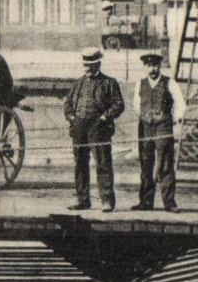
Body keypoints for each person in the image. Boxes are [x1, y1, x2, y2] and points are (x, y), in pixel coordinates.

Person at [63, 49, 124, 212]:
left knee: (103, 163)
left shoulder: (109, 83)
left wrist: (105, 117)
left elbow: (118, 104)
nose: (87, 68)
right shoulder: (78, 84)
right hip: (79, 128)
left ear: (98, 64)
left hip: (99, 128)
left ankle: (107, 201)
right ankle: (82, 200)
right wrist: (71, 117)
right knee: (80, 164)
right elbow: (68, 104)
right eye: (85, 65)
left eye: (90, 65)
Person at [131, 52, 186, 212]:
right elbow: (136, 105)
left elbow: (180, 104)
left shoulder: (170, 83)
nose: (152, 69)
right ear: (144, 67)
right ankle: (146, 202)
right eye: (149, 66)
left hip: (163, 127)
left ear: (159, 66)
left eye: (155, 65)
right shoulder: (140, 84)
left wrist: (175, 120)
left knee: (165, 164)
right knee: (146, 164)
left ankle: (169, 203)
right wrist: (145, 116)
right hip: (146, 128)